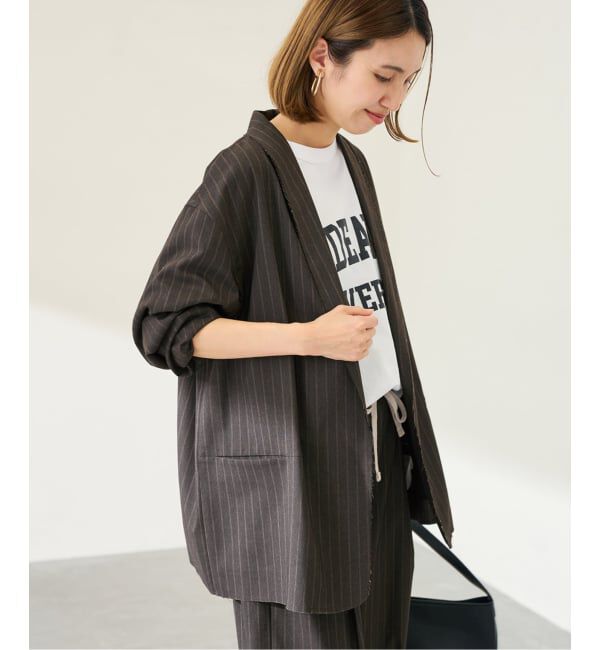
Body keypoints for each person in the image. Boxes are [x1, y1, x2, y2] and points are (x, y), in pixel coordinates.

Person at [132, 1, 454, 647]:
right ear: (321, 56)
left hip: (379, 451)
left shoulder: (350, 163)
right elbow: (164, 326)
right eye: (383, 76)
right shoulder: (244, 172)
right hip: (295, 474)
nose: (394, 99)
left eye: (408, 81)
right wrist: (306, 337)